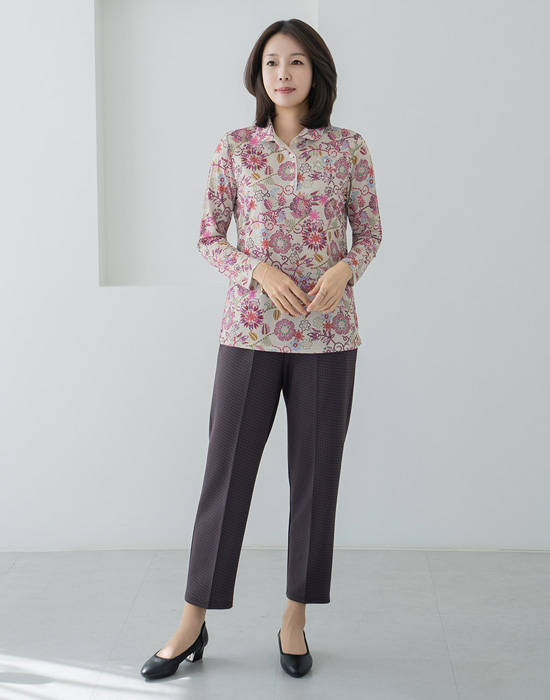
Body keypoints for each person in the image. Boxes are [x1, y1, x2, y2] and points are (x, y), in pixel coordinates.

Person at [141, 17, 382, 681]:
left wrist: (344, 270)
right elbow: (208, 237)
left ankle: (294, 617)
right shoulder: (235, 148)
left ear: (317, 72)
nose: (283, 73)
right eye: (273, 62)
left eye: (296, 61)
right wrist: (259, 271)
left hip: (328, 339)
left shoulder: (348, 149)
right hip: (249, 332)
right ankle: (192, 620)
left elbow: (369, 234)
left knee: (315, 480)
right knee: (225, 477)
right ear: (258, 74)